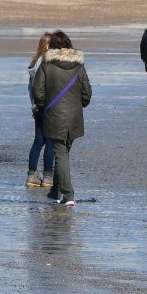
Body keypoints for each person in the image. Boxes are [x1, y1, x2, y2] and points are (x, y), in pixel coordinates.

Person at [32, 30, 92, 207]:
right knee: (63, 153)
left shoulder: (46, 65)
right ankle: (56, 190)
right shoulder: (79, 67)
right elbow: (87, 93)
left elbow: (38, 92)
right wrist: (78, 107)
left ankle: (68, 194)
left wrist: (45, 108)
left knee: (61, 154)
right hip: (74, 118)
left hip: (54, 116)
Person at [25, 32, 55, 188]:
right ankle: (48, 176)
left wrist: (34, 105)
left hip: (37, 107)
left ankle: (32, 175)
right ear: (48, 46)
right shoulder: (46, 63)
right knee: (50, 141)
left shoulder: (34, 62)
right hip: (48, 107)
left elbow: (31, 88)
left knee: (38, 141)